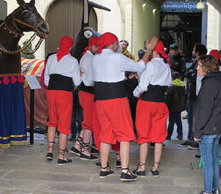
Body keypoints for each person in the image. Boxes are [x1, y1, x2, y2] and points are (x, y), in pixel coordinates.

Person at [93, 32, 153, 182]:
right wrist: (149, 51)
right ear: (112, 44)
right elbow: (140, 66)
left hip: (100, 100)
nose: (118, 46)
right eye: (116, 44)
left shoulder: (96, 58)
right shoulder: (118, 58)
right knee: (125, 134)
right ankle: (125, 171)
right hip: (116, 99)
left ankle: (104, 168)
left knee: (106, 135)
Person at [132, 40, 171, 177]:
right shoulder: (167, 67)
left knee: (143, 136)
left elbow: (143, 86)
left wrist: (134, 93)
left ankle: (141, 168)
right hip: (161, 104)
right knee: (159, 137)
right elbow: (168, 85)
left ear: (154, 51)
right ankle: (155, 167)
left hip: (146, 103)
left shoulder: (150, 66)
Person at [44, 36, 81, 164]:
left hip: (51, 91)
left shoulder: (51, 58)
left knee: (52, 121)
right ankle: (61, 156)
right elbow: (77, 81)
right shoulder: (73, 61)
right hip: (64, 93)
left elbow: (46, 79)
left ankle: (49, 151)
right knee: (64, 123)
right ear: (70, 47)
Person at [194, 55, 221, 194]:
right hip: (217, 127)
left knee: (208, 162)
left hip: (208, 129)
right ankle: (215, 189)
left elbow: (205, 109)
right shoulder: (220, 81)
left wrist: (197, 131)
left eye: (199, 65)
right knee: (213, 160)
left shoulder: (209, 83)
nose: (197, 68)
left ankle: (208, 191)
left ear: (206, 67)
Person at [70, 36, 99, 160]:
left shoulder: (89, 57)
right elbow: (89, 81)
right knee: (89, 123)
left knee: (88, 120)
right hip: (88, 93)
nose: (98, 49)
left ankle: (77, 146)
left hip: (86, 93)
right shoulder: (89, 58)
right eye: (96, 46)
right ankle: (85, 150)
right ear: (91, 45)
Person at [179, 43, 207, 149]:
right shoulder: (195, 63)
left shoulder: (201, 63)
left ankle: (194, 139)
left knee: (195, 118)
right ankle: (191, 138)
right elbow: (187, 73)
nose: (192, 52)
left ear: (198, 52)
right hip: (192, 94)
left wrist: (191, 74)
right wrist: (190, 73)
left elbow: (193, 76)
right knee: (191, 118)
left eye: (194, 50)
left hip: (196, 95)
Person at [166, 72, 187, 140]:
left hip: (172, 106)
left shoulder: (171, 86)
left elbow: (168, 97)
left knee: (171, 122)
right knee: (178, 121)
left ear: (172, 78)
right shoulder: (182, 85)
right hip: (179, 107)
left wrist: (165, 104)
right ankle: (180, 135)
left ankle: (169, 135)